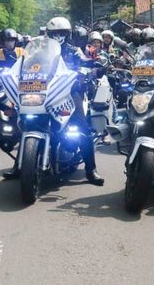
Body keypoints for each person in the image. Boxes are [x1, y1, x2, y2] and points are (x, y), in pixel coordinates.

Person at [49, 17, 105, 185]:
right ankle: (20, 165)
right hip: (46, 93)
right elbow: (31, 64)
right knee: (29, 122)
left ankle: (91, 170)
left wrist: (95, 62)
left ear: (67, 34)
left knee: (82, 129)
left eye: (61, 33)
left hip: (70, 92)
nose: (58, 36)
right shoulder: (42, 50)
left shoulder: (73, 50)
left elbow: (84, 60)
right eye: (54, 33)